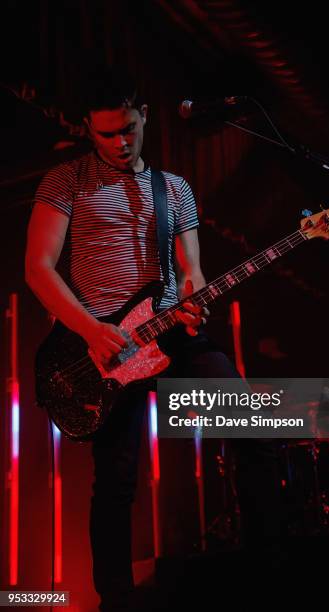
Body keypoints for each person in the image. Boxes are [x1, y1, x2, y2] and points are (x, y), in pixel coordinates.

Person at [25, 68, 240, 611]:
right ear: (87, 131)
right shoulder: (65, 181)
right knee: (117, 481)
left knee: (250, 419)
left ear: (143, 117)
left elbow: (191, 271)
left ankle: (265, 568)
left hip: (168, 330)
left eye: (128, 129)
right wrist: (90, 329)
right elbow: (38, 268)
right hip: (102, 345)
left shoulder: (175, 189)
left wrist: (195, 299)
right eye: (106, 134)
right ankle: (115, 602)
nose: (120, 143)